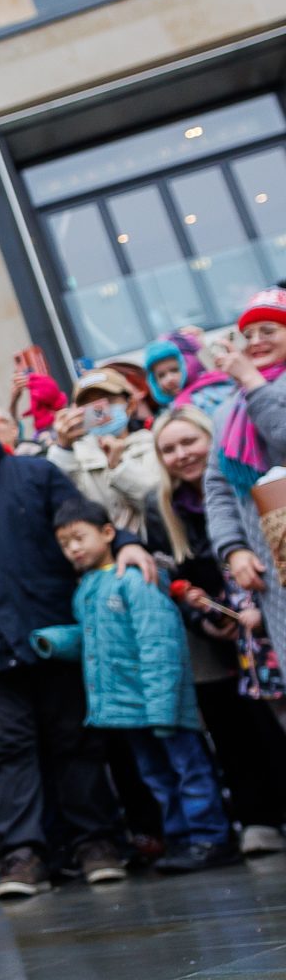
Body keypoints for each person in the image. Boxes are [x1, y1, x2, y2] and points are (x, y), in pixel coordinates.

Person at [0, 390, 153, 896]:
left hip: (52, 637)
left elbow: (86, 528)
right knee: (9, 751)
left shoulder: (36, 474)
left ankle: (98, 844)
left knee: (77, 742)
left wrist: (130, 544)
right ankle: (23, 857)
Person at [41, 498, 238, 872]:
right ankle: (181, 839)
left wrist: (164, 705)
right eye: (65, 545)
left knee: (188, 770)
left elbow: (159, 642)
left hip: (161, 704)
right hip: (129, 709)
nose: (73, 549)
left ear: (108, 533)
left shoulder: (135, 578)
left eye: (79, 538)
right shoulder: (86, 588)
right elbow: (94, 639)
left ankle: (211, 837)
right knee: (157, 778)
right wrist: (57, 641)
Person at [145, 404, 286, 856]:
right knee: (231, 728)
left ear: (212, 439)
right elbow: (173, 579)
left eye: (190, 442)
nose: (182, 454)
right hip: (217, 637)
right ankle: (257, 818)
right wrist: (203, 618)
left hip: (265, 621)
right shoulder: (163, 511)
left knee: (273, 723)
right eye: (169, 448)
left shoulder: (246, 484)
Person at [205, 288, 286, 691]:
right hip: (273, 571)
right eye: (248, 334)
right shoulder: (225, 412)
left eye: (268, 330)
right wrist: (234, 549)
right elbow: (217, 488)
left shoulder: (256, 390)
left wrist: (254, 383)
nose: (256, 342)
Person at [46, 369, 161, 532]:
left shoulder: (154, 444)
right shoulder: (76, 455)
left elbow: (160, 502)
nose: (99, 410)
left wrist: (119, 466)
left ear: (131, 405)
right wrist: (63, 447)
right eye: (88, 405)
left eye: (107, 400)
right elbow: (58, 501)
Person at [145, 328, 234, 417]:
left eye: (174, 370)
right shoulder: (173, 409)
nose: (169, 378)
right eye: (161, 375)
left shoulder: (208, 388)